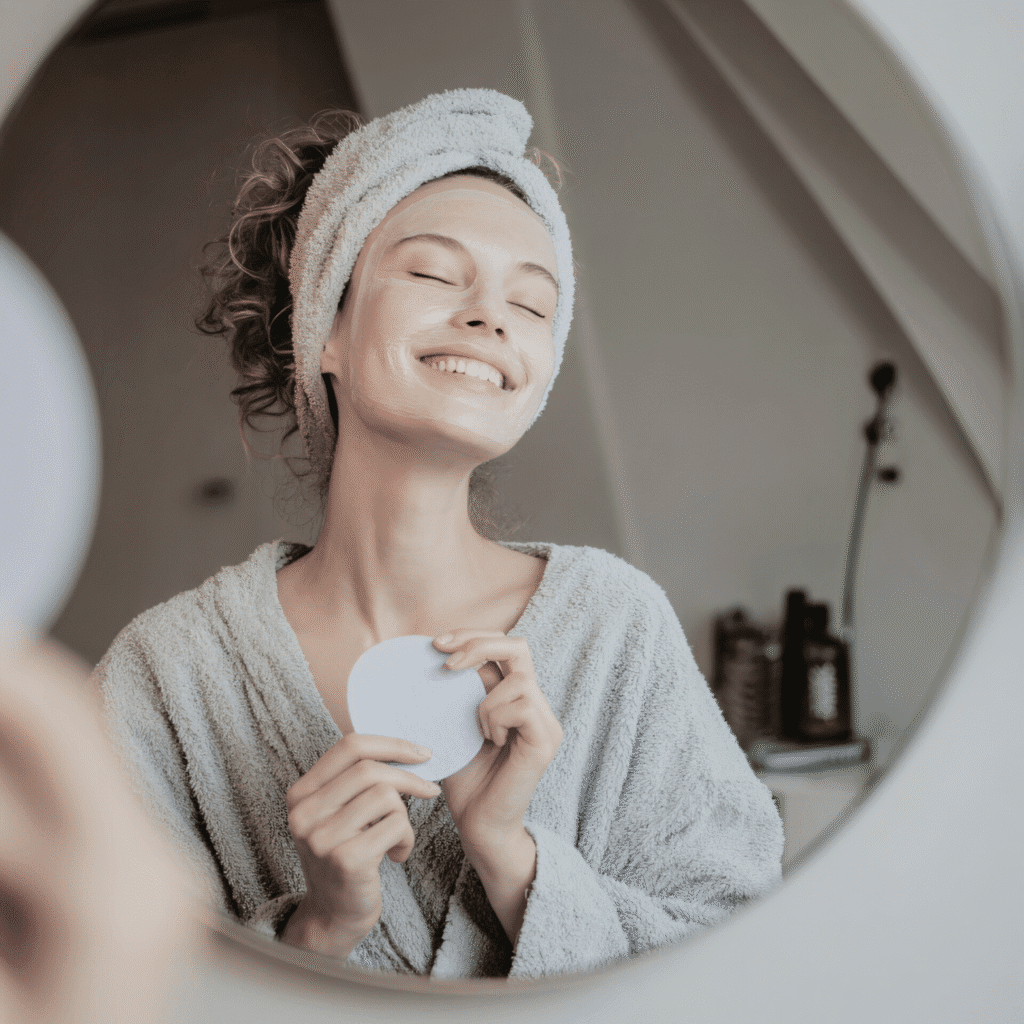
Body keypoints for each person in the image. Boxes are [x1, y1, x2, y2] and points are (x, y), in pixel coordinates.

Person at [93, 89, 784, 980]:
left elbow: (745, 955)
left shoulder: (618, 627)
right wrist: (316, 932)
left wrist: (511, 857)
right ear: (324, 328)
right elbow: (90, 976)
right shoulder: (168, 673)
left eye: (532, 306)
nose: (491, 316)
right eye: (431, 273)